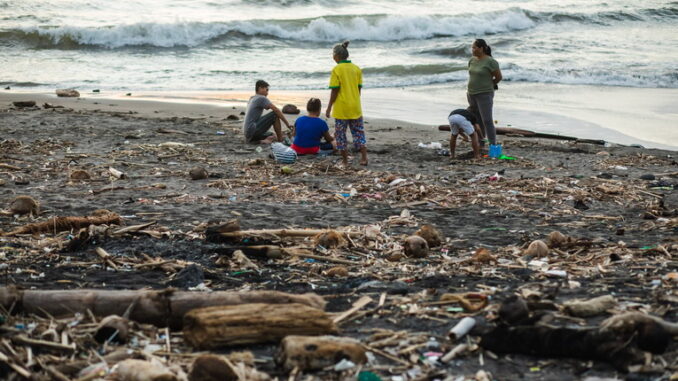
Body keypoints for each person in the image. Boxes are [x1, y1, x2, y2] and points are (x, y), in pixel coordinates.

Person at [325, 41, 368, 166]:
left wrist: (328, 108)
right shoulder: (356, 69)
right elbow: (358, 89)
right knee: (359, 132)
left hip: (341, 108)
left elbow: (335, 90)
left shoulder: (336, 69)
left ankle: (344, 161)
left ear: (336, 56)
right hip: (355, 106)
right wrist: (354, 100)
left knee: (340, 135)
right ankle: (364, 158)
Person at [467, 39, 502, 147]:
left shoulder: (491, 61)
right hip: (471, 93)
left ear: (481, 48)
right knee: (477, 120)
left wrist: (489, 85)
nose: (472, 49)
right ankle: (481, 143)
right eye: (472, 47)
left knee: (487, 120)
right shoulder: (472, 60)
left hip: (484, 94)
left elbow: (498, 77)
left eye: (474, 47)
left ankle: (493, 145)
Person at [242, 80, 293, 144]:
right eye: (266, 90)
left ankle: (259, 140)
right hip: (252, 131)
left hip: (247, 133)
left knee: (271, 134)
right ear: (260, 88)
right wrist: (287, 124)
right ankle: (280, 140)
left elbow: (267, 108)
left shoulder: (252, 98)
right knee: (274, 114)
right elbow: (276, 110)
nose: (267, 93)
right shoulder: (261, 98)